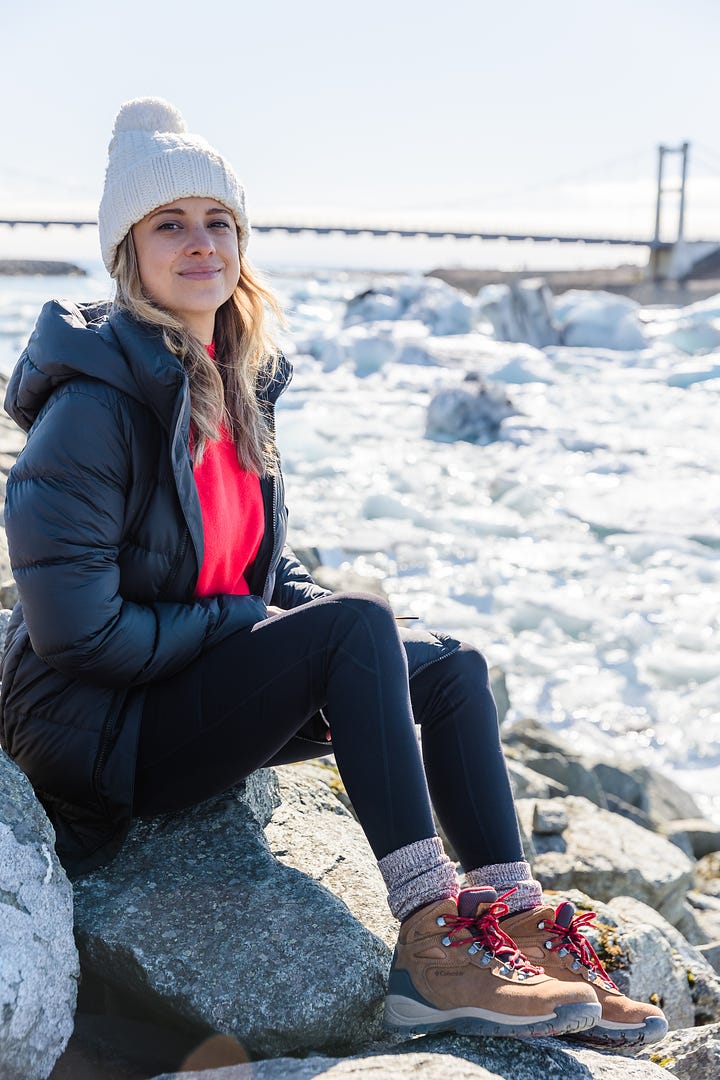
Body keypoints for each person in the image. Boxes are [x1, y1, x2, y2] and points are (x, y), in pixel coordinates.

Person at [0, 98, 667, 1048]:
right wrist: (258, 624)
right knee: (356, 627)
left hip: (183, 684)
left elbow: (267, 571)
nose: (202, 244)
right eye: (170, 225)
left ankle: (512, 925)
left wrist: (337, 633)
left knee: (450, 663)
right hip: (100, 730)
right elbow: (78, 631)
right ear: (128, 255)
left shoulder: (234, 386)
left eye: (219, 222)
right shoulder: (94, 408)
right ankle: (432, 948)